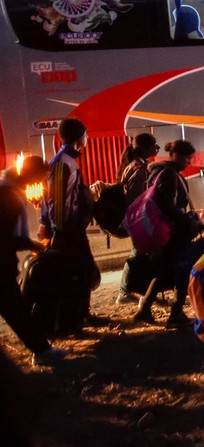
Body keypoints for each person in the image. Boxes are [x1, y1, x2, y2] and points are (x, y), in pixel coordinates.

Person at [133, 140, 204, 327]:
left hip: (165, 232)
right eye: (186, 157)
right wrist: (187, 222)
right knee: (182, 270)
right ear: (175, 155)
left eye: (190, 157)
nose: (188, 161)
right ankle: (175, 314)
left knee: (164, 271)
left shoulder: (158, 172)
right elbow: (167, 206)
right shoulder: (169, 175)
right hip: (173, 233)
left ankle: (144, 309)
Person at [0, 156, 69, 365]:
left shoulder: (6, 187)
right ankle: (42, 352)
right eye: (39, 178)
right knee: (16, 310)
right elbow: (4, 237)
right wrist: (30, 244)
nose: (38, 183)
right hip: (0, 266)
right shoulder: (7, 195)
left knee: (15, 310)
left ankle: (42, 350)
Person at [39, 118, 101, 324]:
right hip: (67, 230)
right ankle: (76, 317)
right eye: (86, 133)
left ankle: (82, 314)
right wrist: (59, 232)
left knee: (83, 270)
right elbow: (54, 201)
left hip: (73, 227)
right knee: (77, 271)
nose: (88, 137)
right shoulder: (61, 162)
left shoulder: (69, 160)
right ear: (79, 136)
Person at [114, 133, 161, 304]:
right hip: (138, 220)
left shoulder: (138, 166)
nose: (157, 148)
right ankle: (128, 292)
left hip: (138, 219)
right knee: (139, 254)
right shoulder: (139, 169)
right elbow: (135, 198)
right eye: (154, 145)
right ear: (143, 148)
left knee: (141, 254)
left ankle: (140, 293)